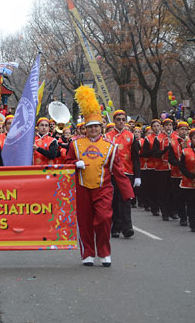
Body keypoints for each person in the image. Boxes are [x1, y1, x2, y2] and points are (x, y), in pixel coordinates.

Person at [65, 86, 134, 267]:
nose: (93, 129)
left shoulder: (110, 146)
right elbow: (67, 164)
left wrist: (128, 193)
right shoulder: (76, 145)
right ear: (85, 129)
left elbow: (118, 171)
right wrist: (74, 164)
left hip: (103, 188)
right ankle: (88, 253)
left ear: (101, 127)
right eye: (90, 127)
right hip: (82, 187)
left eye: (96, 126)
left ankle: (104, 251)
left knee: (103, 219)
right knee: (85, 222)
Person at [105, 110, 140, 239]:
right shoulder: (107, 136)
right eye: (118, 119)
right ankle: (116, 227)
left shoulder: (131, 136)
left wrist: (138, 176)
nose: (121, 122)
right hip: (112, 173)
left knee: (126, 200)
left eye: (123, 119)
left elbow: (136, 157)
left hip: (127, 173)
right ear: (114, 120)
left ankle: (127, 228)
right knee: (114, 201)